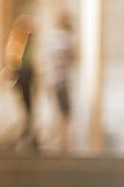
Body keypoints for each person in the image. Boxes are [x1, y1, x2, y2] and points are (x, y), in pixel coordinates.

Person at [4, 14, 37, 151]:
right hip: (22, 77)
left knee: (28, 109)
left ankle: (29, 135)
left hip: (26, 77)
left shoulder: (26, 43)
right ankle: (24, 135)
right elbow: (13, 62)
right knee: (25, 109)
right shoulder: (17, 42)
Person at [48, 12, 77, 153]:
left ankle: (61, 142)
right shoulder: (64, 39)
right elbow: (73, 57)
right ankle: (63, 144)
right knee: (65, 114)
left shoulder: (53, 38)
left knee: (60, 112)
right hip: (61, 81)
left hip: (53, 80)